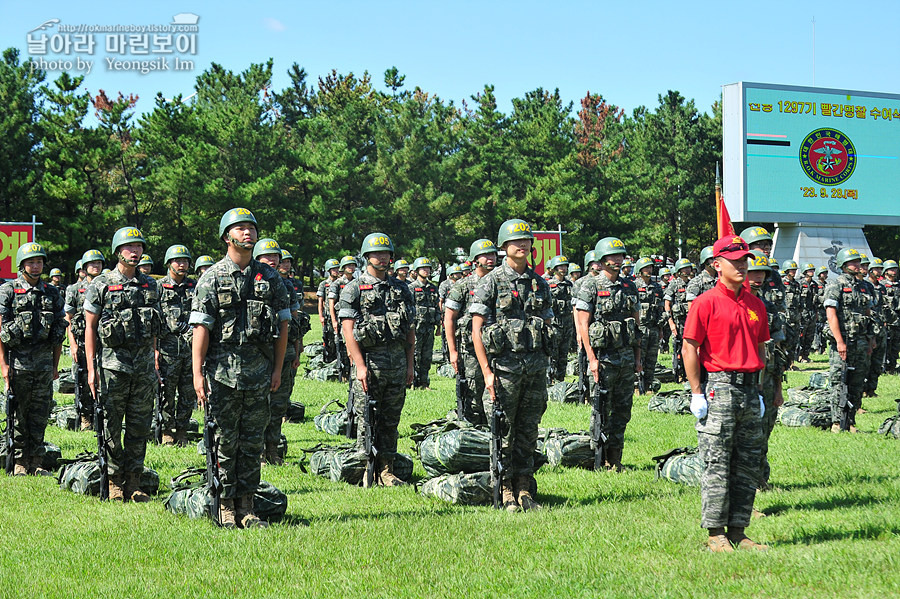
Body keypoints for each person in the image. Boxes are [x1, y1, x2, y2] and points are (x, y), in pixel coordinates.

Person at [190, 208, 290, 528]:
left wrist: (277, 370)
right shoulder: (212, 278)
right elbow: (201, 330)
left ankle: (246, 504)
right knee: (224, 440)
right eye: (240, 228)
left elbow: (283, 326)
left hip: (259, 372)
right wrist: (196, 374)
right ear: (226, 236)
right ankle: (225, 504)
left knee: (251, 441)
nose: (248, 233)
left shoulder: (270, 277)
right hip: (221, 374)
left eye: (251, 228)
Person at [682, 235, 769, 552]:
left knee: (747, 464)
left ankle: (739, 530)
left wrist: (759, 390)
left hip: (748, 389)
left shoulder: (755, 305)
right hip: (720, 387)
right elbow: (689, 347)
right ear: (717, 265)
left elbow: (760, 346)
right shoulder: (705, 302)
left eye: (745, 260)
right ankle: (715, 533)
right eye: (736, 261)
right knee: (717, 463)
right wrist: (697, 392)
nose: (743, 266)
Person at [470, 219, 552, 511]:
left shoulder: (539, 283)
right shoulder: (490, 282)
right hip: (503, 373)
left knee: (528, 431)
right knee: (503, 431)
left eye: (527, 241)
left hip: (534, 371)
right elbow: (476, 331)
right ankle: (504, 490)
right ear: (504, 247)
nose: (523, 245)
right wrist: (487, 374)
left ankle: (525, 489)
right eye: (517, 241)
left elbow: (549, 327)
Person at [84, 227, 162, 503]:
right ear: (118, 251)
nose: (135, 251)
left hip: (143, 371)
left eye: (139, 246)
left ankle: (134, 482)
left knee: (140, 428)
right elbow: (90, 329)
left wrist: (154, 355)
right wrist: (92, 369)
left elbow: (155, 327)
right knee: (111, 428)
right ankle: (115, 482)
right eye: (129, 247)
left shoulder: (152, 285)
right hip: (112, 368)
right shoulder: (101, 285)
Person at [338, 232, 415, 487]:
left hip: (396, 365)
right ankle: (365, 469)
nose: (382, 258)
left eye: (386, 254)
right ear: (367, 257)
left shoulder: (402, 288)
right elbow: (348, 331)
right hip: (369, 365)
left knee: (391, 420)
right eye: (376, 254)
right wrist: (359, 366)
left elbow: (410, 330)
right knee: (367, 420)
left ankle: (387, 469)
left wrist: (410, 364)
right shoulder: (353, 288)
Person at [0, 242, 67, 476]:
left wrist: (55, 366)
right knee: (18, 414)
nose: (36, 266)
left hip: (43, 365)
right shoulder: (8, 291)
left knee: (40, 414)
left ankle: (36, 460)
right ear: (22, 265)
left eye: (39, 262)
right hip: (18, 363)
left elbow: (60, 331)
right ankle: (19, 461)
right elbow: (0, 329)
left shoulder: (52, 292)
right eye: (31, 262)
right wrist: (4, 365)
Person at [574, 237, 640, 471]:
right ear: (602, 260)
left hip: (625, 357)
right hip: (603, 358)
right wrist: (591, 359)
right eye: (612, 256)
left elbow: (636, 324)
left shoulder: (629, 286)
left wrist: (638, 359)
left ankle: (616, 458)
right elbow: (583, 325)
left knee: (622, 410)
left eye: (620, 256)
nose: (617, 260)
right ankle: (597, 457)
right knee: (601, 408)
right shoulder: (590, 286)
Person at [253, 238, 303, 465]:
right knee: (258, 404)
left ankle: (273, 449)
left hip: (285, 351)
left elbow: (294, 319)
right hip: (260, 352)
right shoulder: (251, 282)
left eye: (275, 257)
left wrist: (297, 349)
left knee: (279, 403)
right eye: (267, 257)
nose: (272, 260)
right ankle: (258, 450)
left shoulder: (287, 286)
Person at [444, 239, 498, 425]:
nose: (490, 259)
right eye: (485, 255)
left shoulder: (501, 282)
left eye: (492, 254)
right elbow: (449, 318)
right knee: (474, 393)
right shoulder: (463, 286)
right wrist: (452, 351)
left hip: (498, 347)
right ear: (475, 259)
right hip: (471, 350)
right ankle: (475, 429)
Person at [746, 251, 785, 494]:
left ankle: (760, 478)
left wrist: (778, 388)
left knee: (765, 430)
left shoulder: (767, 307)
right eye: (753, 272)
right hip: (744, 379)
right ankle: (747, 481)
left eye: (762, 272)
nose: (758, 276)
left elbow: (778, 350)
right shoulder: (735, 305)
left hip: (768, 378)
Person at [822, 248, 873, 433]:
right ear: (843, 265)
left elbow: (868, 314)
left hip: (860, 341)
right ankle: (837, 422)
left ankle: (851, 422)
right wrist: (839, 341)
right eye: (853, 262)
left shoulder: (865, 286)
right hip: (843, 340)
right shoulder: (836, 285)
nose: (857, 265)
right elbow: (831, 314)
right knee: (838, 381)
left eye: (858, 262)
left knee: (857, 381)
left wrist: (870, 339)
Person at [156, 244, 196, 446]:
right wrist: (154, 350)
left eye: (185, 261)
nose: (182, 264)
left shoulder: (194, 287)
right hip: (167, 351)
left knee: (188, 393)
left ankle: (182, 430)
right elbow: (153, 321)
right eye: (177, 261)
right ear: (169, 263)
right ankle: (166, 432)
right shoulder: (158, 288)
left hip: (191, 351)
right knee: (166, 394)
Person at [65, 249, 105, 431]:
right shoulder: (74, 290)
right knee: (82, 380)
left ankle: (101, 416)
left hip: (103, 343)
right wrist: (72, 344)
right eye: (92, 264)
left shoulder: (106, 286)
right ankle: (85, 417)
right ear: (84, 267)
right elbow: (69, 318)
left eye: (98, 263)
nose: (95, 266)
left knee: (103, 380)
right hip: (81, 341)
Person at [409, 257, 441, 389]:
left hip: (429, 328)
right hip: (416, 328)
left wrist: (439, 326)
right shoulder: (411, 288)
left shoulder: (433, 288)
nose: (426, 270)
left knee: (427, 356)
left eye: (428, 268)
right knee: (415, 355)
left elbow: (437, 308)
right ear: (417, 271)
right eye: (423, 268)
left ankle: (424, 382)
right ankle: (413, 382)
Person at [634, 257, 664, 393]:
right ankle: (636, 385)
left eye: (651, 268)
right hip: (640, 327)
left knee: (651, 359)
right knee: (639, 357)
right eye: (646, 268)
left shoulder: (656, 286)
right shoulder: (634, 286)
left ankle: (648, 385)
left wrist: (661, 329)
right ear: (640, 270)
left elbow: (660, 308)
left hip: (653, 327)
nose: (649, 270)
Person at [328, 256, 358, 381]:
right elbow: (331, 302)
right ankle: (345, 372)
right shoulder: (337, 283)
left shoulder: (357, 282)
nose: (351, 268)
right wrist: (334, 320)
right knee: (344, 346)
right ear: (343, 268)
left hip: (355, 318)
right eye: (348, 266)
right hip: (342, 320)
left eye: (353, 265)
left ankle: (353, 370)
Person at [546, 255, 574, 383]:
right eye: (560, 266)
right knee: (553, 354)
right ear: (554, 268)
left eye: (565, 266)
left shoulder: (570, 284)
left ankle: (561, 379)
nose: (563, 269)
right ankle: (551, 380)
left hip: (568, 324)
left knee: (564, 354)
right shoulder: (549, 284)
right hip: (554, 324)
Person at [862, 256, 886, 400]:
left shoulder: (881, 287)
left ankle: (872, 388)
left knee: (877, 362)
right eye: (876, 269)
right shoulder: (864, 286)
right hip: (869, 329)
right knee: (866, 361)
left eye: (880, 269)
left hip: (881, 328)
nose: (878, 271)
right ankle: (863, 389)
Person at [317, 259, 340, 364]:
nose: (336, 271)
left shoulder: (341, 282)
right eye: (333, 269)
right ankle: (329, 360)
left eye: (337, 268)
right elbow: (320, 301)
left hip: (339, 314)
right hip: (328, 316)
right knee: (329, 339)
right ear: (328, 270)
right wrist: (321, 316)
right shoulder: (324, 284)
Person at [882, 259, 900, 373]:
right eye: (891, 269)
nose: (894, 271)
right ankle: (884, 366)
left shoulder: (898, 285)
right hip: (887, 320)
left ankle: (892, 366)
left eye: (895, 269)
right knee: (885, 344)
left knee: (895, 344)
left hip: (897, 320)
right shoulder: (882, 286)